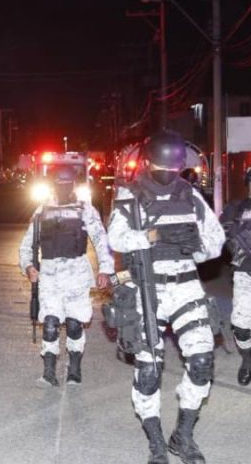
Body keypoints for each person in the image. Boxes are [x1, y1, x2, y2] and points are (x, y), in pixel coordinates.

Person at [107, 130, 225, 464]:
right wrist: (152, 235)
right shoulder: (129, 195)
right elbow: (116, 237)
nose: (168, 174)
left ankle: (182, 436)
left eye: (173, 169)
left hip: (186, 283)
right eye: (162, 166)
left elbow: (215, 240)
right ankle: (156, 441)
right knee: (149, 369)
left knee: (202, 361)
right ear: (146, 162)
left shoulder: (189, 194)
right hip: (148, 285)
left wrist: (197, 248)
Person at [18, 165, 114, 386]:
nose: (63, 188)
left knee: (74, 323)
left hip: (77, 273)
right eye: (59, 183)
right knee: (50, 323)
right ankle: (49, 372)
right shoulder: (41, 211)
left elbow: (100, 239)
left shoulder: (84, 209)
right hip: (49, 275)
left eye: (67, 183)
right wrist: (29, 267)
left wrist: (105, 269)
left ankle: (75, 369)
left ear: (73, 184)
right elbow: (26, 245)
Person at [219, 167, 251, 386]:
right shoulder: (236, 209)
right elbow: (221, 236)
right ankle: (248, 361)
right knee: (241, 324)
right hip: (245, 273)